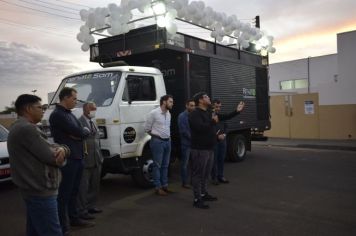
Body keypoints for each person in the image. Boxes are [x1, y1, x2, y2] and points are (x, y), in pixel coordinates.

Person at [7, 94, 70, 236]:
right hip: (41, 192)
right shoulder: (27, 129)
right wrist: (65, 150)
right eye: (40, 107)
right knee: (52, 232)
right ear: (29, 108)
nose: (43, 110)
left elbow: (51, 147)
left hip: (31, 190)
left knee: (35, 231)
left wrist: (61, 149)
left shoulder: (18, 127)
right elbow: (53, 158)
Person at [189, 92, 245, 209]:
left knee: (205, 174)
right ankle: (196, 199)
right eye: (206, 97)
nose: (209, 98)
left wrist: (237, 111)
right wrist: (213, 122)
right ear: (200, 100)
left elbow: (224, 117)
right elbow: (199, 128)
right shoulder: (195, 114)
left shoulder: (209, 112)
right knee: (198, 174)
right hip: (200, 149)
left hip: (210, 148)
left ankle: (203, 194)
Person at [49, 87, 93, 234]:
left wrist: (79, 134)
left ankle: (74, 219)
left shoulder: (70, 114)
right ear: (65, 98)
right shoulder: (57, 115)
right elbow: (80, 132)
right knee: (64, 194)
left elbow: (82, 131)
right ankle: (62, 226)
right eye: (74, 98)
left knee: (74, 191)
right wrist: (79, 134)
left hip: (78, 157)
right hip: (68, 159)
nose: (76, 101)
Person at [77, 102, 103, 220]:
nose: (94, 111)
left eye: (95, 109)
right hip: (85, 160)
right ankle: (82, 210)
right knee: (83, 187)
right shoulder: (78, 122)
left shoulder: (93, 122)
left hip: (96, 158)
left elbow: (97, 140)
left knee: (95, 185)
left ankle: (91, 206)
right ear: (86, 109)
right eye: (93, 109)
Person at [144, 95, 174, 196]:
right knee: (158, 165)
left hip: (167, 141)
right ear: (164, 102)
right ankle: (158, 187)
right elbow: (147, 128)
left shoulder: (168, 113)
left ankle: (164, 185)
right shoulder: (154, 113)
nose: (172, 104)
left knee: (165, 165)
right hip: (158, 142)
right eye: (170, 102)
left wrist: (167, 138)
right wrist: (157, 137)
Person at [211, 99, 233, 185]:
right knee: (214, 160)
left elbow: (227, 127)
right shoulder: (210, 116)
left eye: (219, 107)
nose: (218, 108)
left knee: (221, 159)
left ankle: (221, 176)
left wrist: (224, 135)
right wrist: (217, 136)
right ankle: (214, 178)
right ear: (212, 106)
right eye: (217, 107)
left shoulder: (222, 116)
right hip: (214, 141)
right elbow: (209, 128)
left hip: (223, 141)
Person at [177, 99, 195, 188]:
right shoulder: (182, 116)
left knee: (194, 164)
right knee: (185, 164)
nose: (193, 107)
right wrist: (194, 139)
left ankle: (193, 181)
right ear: (186, 106)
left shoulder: (194, 115)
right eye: (191, 105)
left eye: (194, 105)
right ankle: (184, 183)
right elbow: (183, 131)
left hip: (193, 144)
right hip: (186, 144)